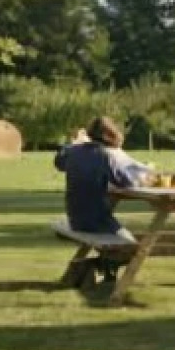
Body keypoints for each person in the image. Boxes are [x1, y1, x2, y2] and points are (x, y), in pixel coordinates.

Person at [53, 116, 150, 290]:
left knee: (119, 244)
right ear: (109, 135)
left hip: (75, 217)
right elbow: (127, 182)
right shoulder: (106, 156)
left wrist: (73, 143)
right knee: (134, 249)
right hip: (97, 221)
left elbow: (59, 162)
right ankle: (89, 267)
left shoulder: (75, 152)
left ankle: (106, 275)